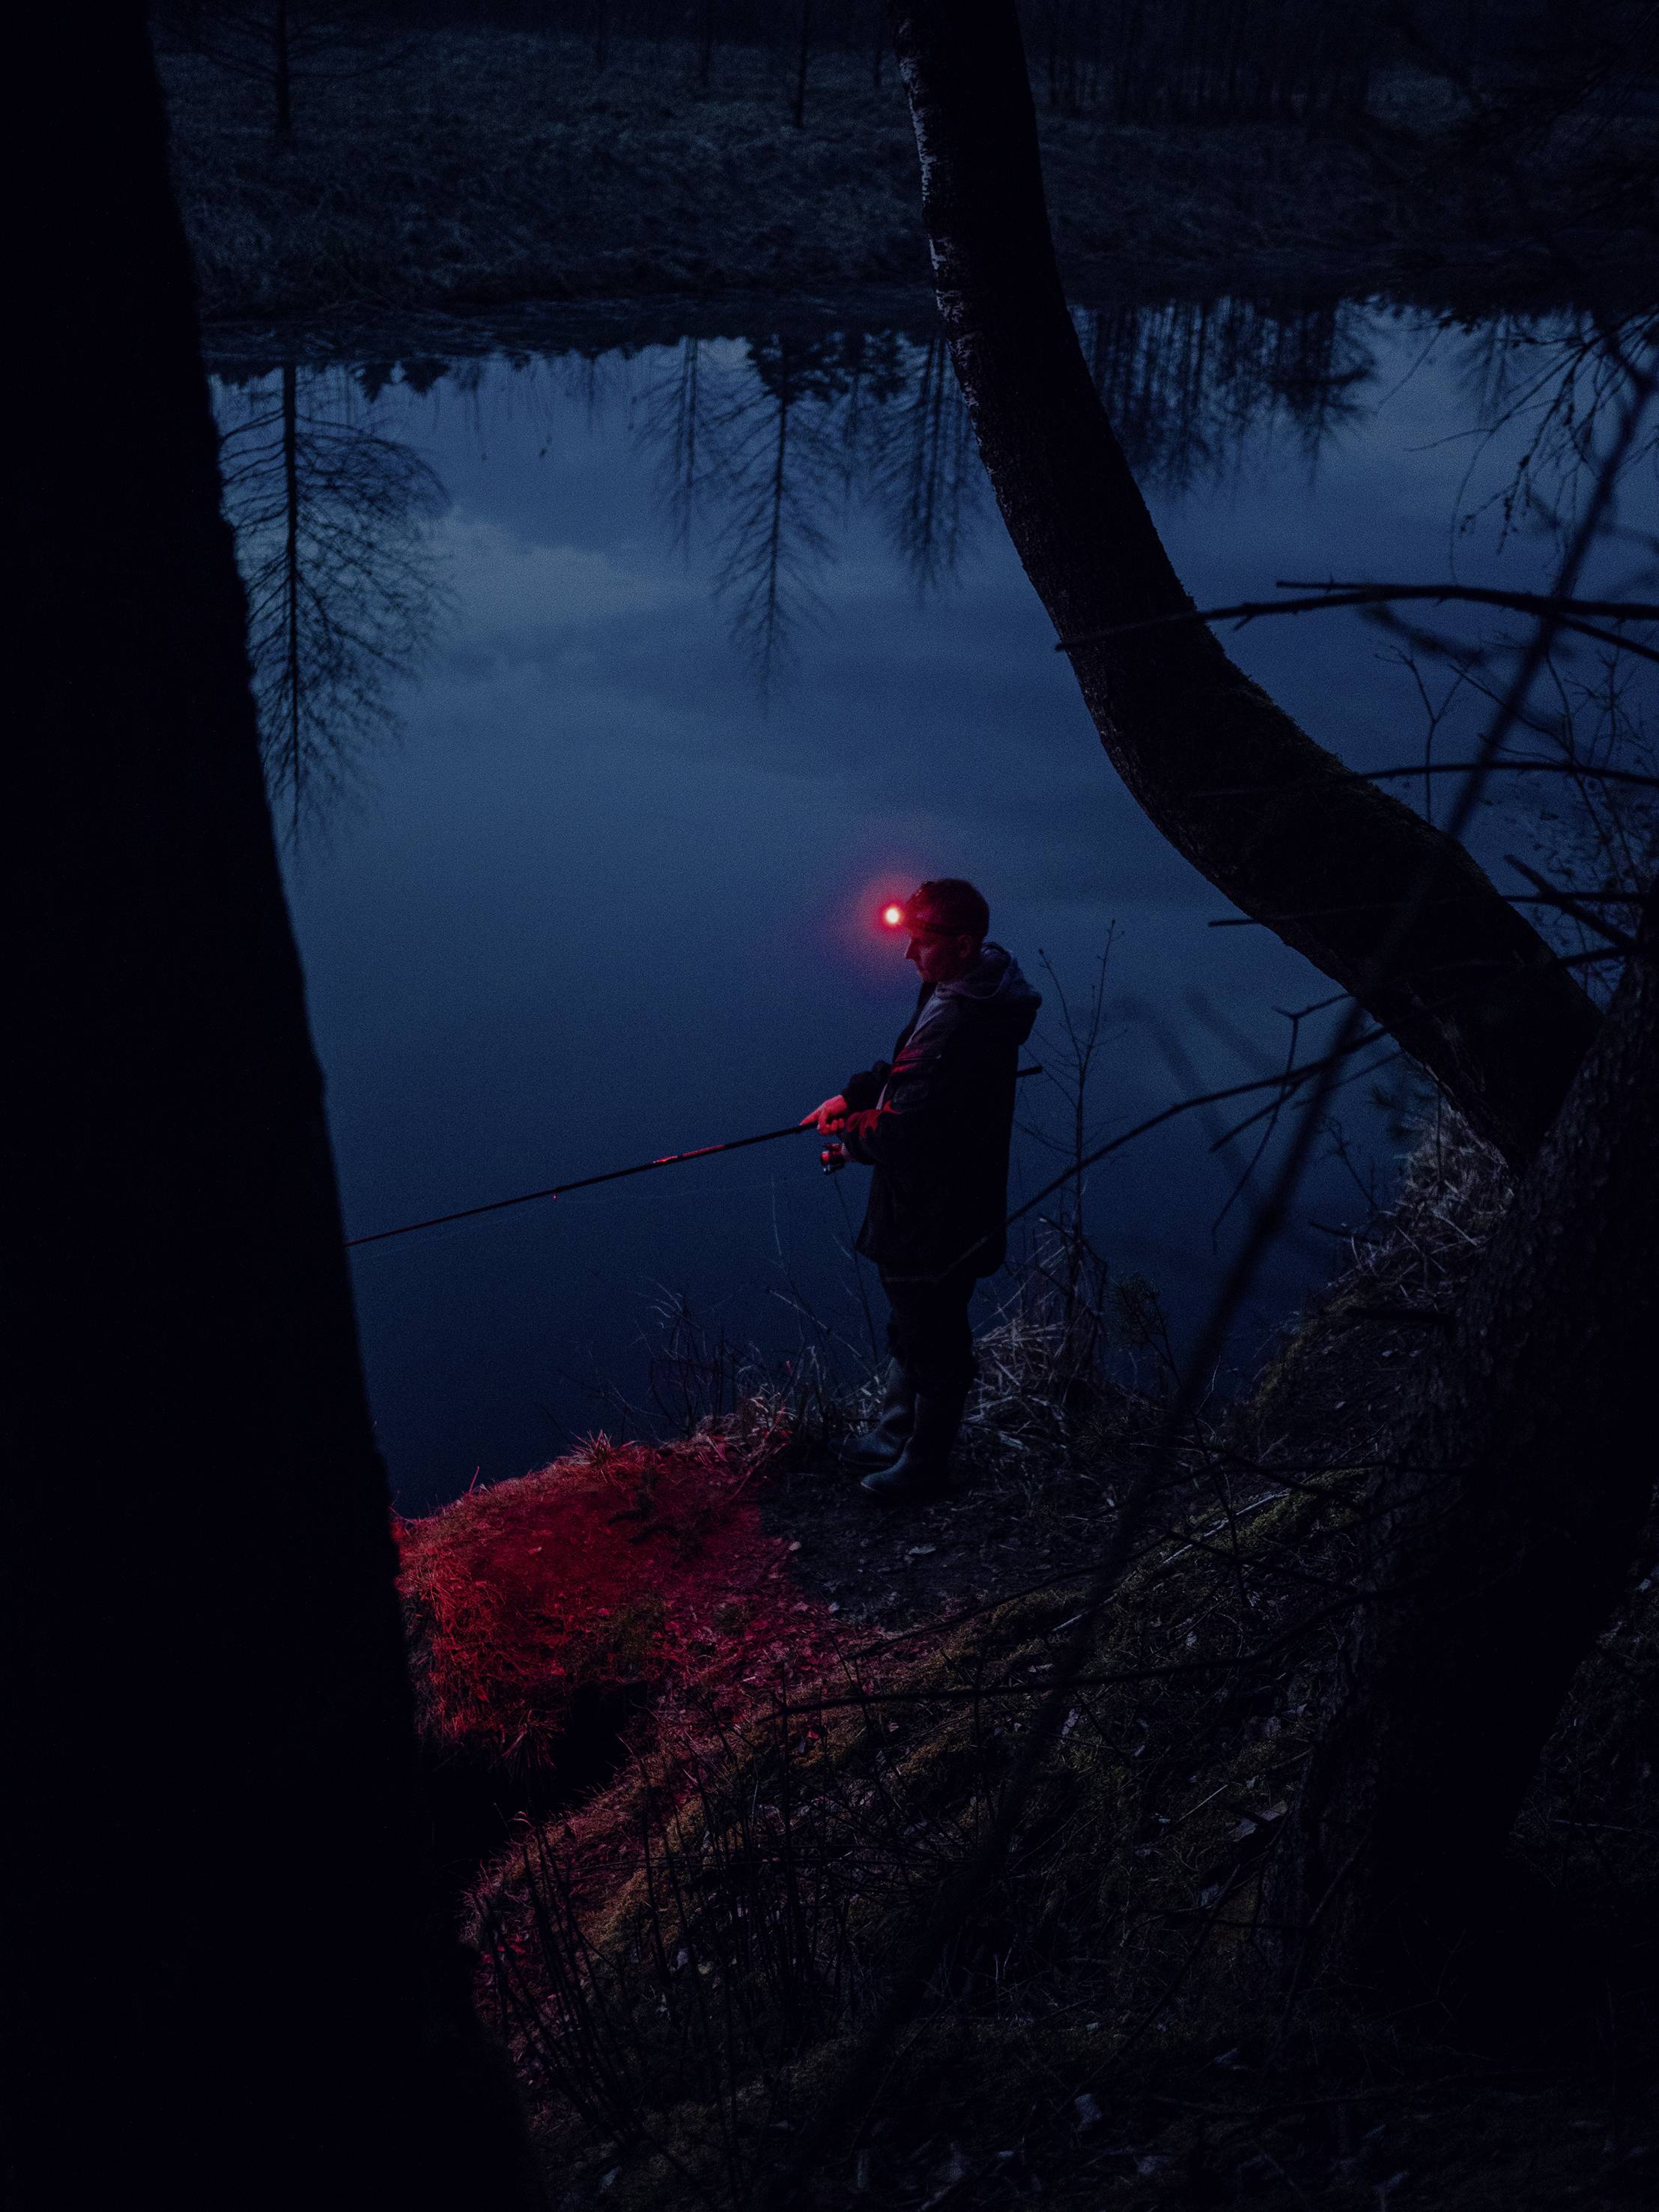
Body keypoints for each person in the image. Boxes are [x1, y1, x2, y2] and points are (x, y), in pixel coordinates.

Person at [803, 879, 1040, 1500]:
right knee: (913, 1317)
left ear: (963, 943)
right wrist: (853, 1096)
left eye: (922, 941)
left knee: (933, 1331)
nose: (910, 954)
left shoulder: (968, 1019)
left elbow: (911, 1127)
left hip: (936, 1209)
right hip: (934, 1201)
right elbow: (907, 1068)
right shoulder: (959, 988)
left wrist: (852, 1140)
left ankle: (923, 1464)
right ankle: (894, 1434)